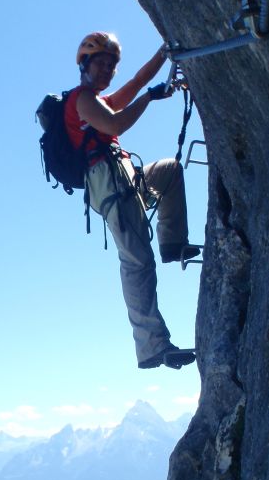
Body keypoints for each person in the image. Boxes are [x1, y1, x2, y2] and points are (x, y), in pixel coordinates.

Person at [65, 31, 198, 370]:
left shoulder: (99, 99)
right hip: (109, 183)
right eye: (101, 64)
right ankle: (152, 346)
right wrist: (150, 98)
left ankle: (173, 245)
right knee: (137, 262)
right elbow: (116, 123)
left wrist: (163, 53)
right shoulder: (82, 101)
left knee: (169, 171)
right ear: (84, 64)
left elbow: (137, 81)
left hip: (122, 175)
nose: (107, 70)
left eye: (111, 65)